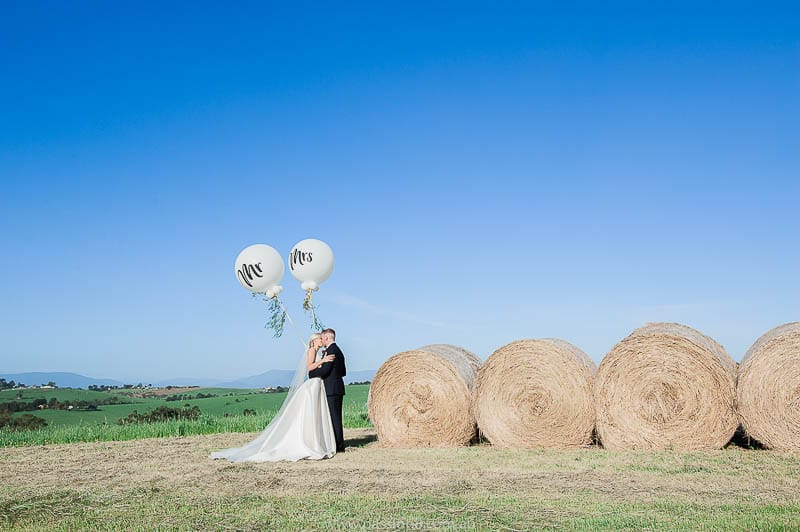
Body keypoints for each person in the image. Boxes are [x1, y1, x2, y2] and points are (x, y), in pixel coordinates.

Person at [209, 333, 337, 462]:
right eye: (320, 338)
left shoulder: (318, 351)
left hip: (317, 384)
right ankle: (309, 442)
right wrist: (323, 361)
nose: (322, 340)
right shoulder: (311, 351)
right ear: (314, 340)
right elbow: (310, 368)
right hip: (312, 385)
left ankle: (315, 441)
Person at [308, 328, 347, 452]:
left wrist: (312, 374)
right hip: (337, 387)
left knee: (334, 417)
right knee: (335, 417)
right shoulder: (337, 350)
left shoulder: (331, 350)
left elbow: (325, 370)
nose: (322, 340)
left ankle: (338, 446)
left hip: (332, 388)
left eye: (323, 337)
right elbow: (343, 371)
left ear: (327, 337)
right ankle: (336, 444)